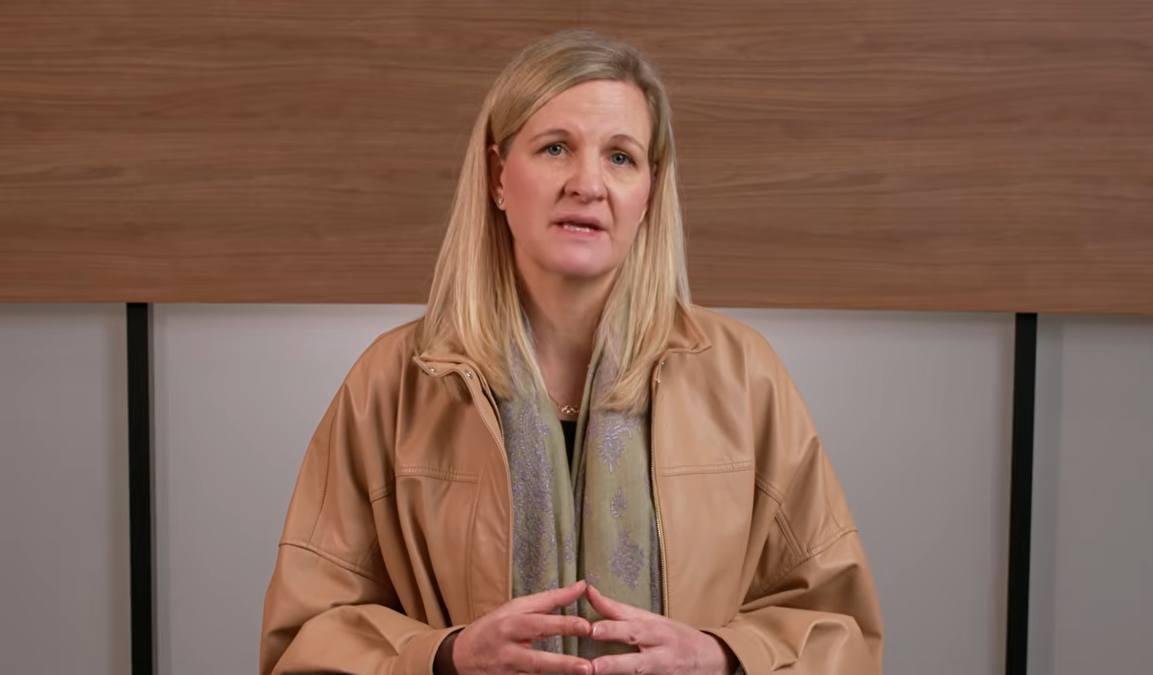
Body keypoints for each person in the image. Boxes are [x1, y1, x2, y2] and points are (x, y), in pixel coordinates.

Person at [260, 29, 884, 675]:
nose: (588, 184)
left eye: (621, 157)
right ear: (499, 177)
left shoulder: (743, 376)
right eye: (555, 148)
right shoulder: (393, 383)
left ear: (649, 191)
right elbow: (304, 638)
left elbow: (841, 630)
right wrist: (445, 657)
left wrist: (722, 658)